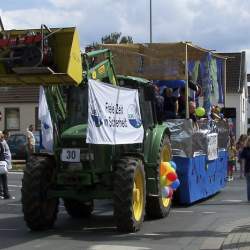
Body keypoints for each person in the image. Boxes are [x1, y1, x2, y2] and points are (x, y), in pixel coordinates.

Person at [0, 131, 11, 199]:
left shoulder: (2, 143)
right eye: (2, 137)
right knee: (3, 179)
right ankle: (5, 194)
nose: (3, 138)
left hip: (3, 163)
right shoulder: (2, 143)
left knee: (3, 179)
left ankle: (5, 194)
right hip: (2, 163)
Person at [239, 136, 250, 201]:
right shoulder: (245, 149)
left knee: (248, 184)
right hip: (248, 169)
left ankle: (249, 198)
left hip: (247, 169)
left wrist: (243, 170)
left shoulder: (245, 149)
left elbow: (243, 160)